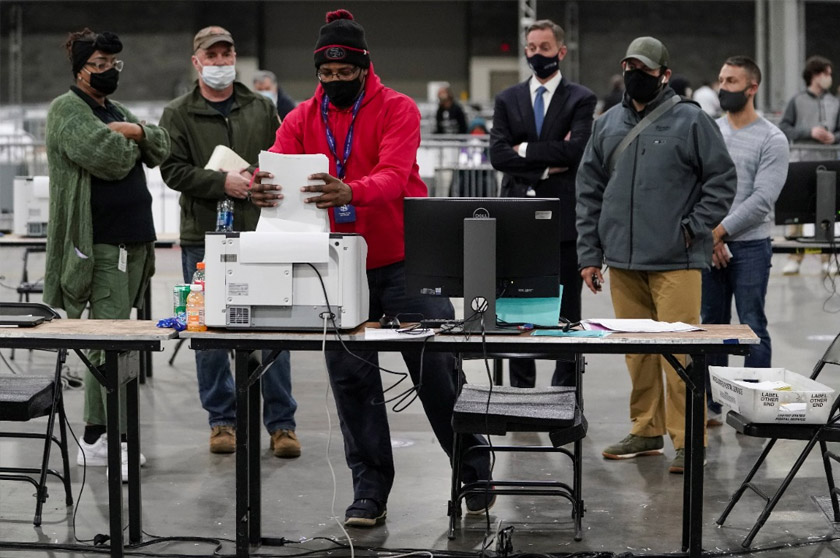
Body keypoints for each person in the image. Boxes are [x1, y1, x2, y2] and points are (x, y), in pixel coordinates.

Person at [250, 9, 491, 527]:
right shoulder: (300, 119)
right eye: (326, 74)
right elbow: (276, 164)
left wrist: (350, 190)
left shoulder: (398, 109)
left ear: (364, 69)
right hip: (338, 268)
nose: (334, 82)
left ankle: (473, 467)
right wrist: (260, 183)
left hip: (408, 260)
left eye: (344, 73)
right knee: (352, 382)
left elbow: (395, 175)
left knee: (437, 371)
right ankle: (370, 491)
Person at [576, 36, 737, 473]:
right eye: (630, 67)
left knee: (679, 353)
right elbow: (588, 191)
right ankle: (646, 429)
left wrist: (692, 227)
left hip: (675, 261)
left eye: (645, 70)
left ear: (664, 75)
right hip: (623, 263)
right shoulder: (606, 124)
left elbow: (721, 180)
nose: (635, 76)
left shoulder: (690, 121)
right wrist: (590, 253)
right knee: (637, 352)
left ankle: (689, 441)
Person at [159, 26, 300, 458]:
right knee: (209, 332)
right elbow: (172, 171)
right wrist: (223, 182)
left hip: (262, 234)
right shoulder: (178, 113)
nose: (220, 62)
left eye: (227, 54)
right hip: (204, 237)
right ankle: (222, 421)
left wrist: (264, 179)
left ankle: (281, 424)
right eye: (212, 56)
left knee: (276, 326)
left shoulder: (261, 107)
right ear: (196, 61)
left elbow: (281, 157)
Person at [44, 29, 170, 480]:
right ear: (80, 66)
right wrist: (133, 140)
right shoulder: (67, 110)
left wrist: (135, 130)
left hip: (133, 243)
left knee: (121, 339)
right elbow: (112, 159)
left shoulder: (114, 110)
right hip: (99, 246)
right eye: (99, 63)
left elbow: (161, 144)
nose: (109, 71)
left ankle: (106, 434)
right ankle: (99, 437)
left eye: (114, 63)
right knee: (107, 341)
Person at [489, 19, 596, 388]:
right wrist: (548, 163)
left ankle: (564, 388)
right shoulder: (508, 99)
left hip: (565, 220)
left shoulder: (581, 98)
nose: (537, 54)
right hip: (517, 217)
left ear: (561, 52)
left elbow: (577, 151)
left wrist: (524, 150)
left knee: (567, 310)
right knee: (517, 307)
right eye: (531, 48)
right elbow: (498, 155)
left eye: (544, 48)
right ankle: (521, 391)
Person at [701, 56, 789, 426]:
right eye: (721, 79)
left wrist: (719, 233)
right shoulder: (709, 131)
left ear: (752, 88)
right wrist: (712, 236)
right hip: (710, 243)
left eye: (732, 81)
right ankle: (713, 407)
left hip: (751, 245)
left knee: (751, 325)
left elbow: (761, 201)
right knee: (711, 328)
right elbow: (698, 187)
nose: (724, 87)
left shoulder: (773, 138)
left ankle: (754, 407)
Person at [778, 55, 840, 275]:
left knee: (828, 212)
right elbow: (784, 127)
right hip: (802, 163)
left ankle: (828, 258)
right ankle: (795, 256)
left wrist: (834, 137)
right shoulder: (797, 101)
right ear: (815, 75)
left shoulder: (834, 102)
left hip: (828, 164)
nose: (829, 78)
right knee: (797, 212)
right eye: (826, 73)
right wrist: (809, 132)